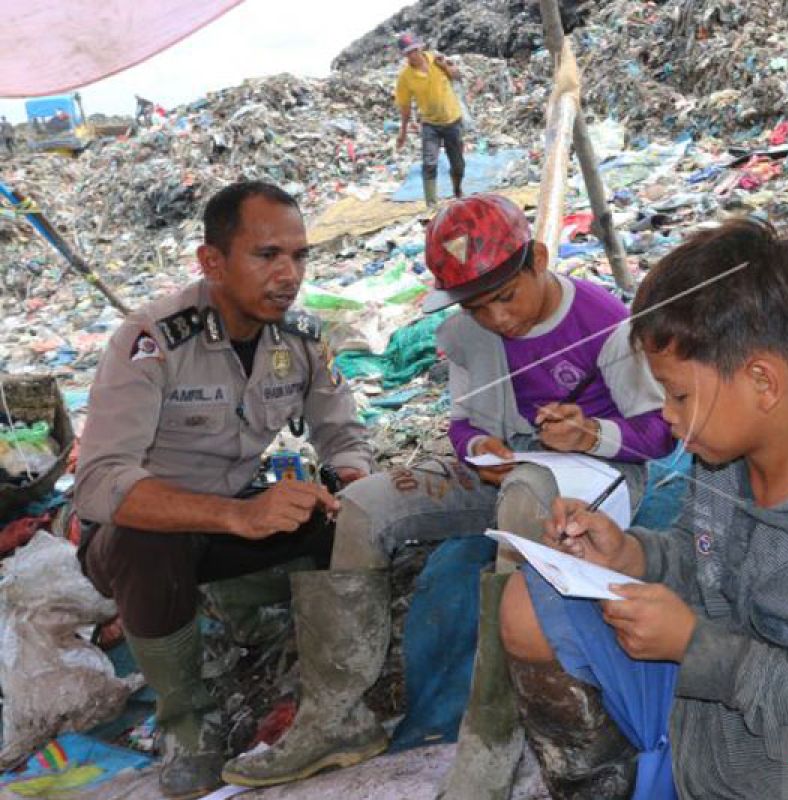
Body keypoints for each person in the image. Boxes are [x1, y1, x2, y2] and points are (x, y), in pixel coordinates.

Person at [221, 193, 675, 793]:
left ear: (537, 259)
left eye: (507, 297)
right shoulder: (466, 332)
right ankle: (336, 717)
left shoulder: (603, 321)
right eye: (479, 308)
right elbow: (463, 425)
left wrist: (593, 432)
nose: (498, 319)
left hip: (593, 474)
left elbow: (659, 433)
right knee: (365, 504)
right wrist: (478, 450)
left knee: (526, 493)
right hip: (507, 469)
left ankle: (492, 737)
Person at [497, 217, 788, 799]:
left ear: (762, 382)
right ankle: (618, 780)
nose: (665, 415)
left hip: (787, 765)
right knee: (530, 598)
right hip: (691, 710)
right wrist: (632, 554)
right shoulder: (724, 454)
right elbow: (700, 557)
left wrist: (699, 648)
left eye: (679, 395)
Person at [74, 181, 373, 800]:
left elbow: (343, 436)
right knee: (144, 543)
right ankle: (187, 721)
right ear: (212, 262)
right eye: (267, 256)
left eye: (299, 256)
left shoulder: (304, 339)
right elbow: (100, 483)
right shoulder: (152, 340)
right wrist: (237, 519)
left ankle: (334, 691)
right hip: (146, 538)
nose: (289, 274)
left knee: (352, 517)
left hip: (238, 513)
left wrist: (350, 482)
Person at [393, 31, 466, 208]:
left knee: (458, 165)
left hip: (452, 120)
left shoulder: (437, 59)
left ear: (420, 47)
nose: (413, 55)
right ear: (404, 55)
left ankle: (457, 190)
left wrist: (446, 67)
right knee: (429, 163)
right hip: (430, 124)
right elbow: (405, 106)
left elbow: (458, 76)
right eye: (408, 53)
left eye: (415, 50)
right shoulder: (405, 77)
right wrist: (402, 132)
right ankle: (431, 205)